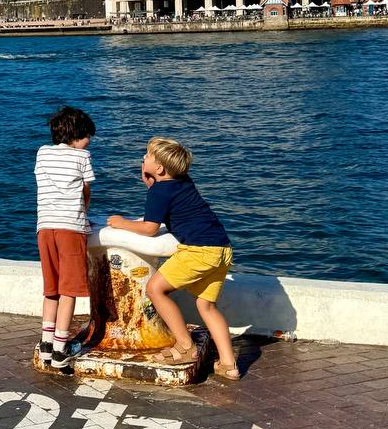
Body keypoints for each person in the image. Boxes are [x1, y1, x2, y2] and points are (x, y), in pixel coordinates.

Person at [107, 137, 239, 380]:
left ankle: (185, 346)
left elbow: (150, 228)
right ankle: (229, 365)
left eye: (147, 157)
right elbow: (170, 200)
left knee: (155, 289)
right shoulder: (182, 182)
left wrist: (121, 223)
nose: (142, 158)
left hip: (199, 250)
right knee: (206, 306)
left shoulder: (160, 191)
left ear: (159, 169)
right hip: (222, 247)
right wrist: (151, 183)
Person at [35, 106, 96, 372]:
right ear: (79, 135)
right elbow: (85, 193)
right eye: (88, 137)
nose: (90, 142)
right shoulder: (82, 157)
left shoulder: (42, 152)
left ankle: (46, 344)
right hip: (70, 228)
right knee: (69, 289)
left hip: (45, 228)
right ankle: (62, 348)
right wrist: (84, 215)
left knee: (52, 287)